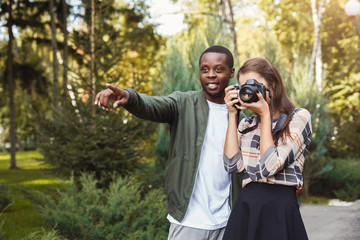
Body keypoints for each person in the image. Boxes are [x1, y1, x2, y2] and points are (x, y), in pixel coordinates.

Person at [94, 45, 246, 240]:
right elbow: (152, 106)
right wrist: (130, 97)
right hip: (189, 222)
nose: (210, 75)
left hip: (227, 222)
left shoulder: (241, 118)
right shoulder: (183, 103)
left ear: (231, 72)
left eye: (218, 69)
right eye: (205, 69)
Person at [222, 58, 312, 240]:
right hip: (246, 207)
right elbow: (232, 166)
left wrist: (265, 115)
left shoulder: (298, 118)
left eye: (255, 86)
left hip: (280, 207)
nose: (249, 91)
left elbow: (270, 167)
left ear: (274, 85)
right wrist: (232, 115)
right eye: (243, 87)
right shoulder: (246, 123)